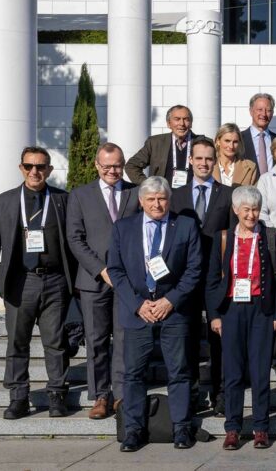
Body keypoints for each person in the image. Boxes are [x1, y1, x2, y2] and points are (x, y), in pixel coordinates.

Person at [106, 177, 202, 452]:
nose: (157, 204)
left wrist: (170, 301)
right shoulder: (123, 228)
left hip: (174, 311)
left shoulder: (184, 226)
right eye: (151, 199)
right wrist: (138, 304)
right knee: (134, 374)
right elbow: (116, 270)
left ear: (169, 200)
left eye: (162, 198)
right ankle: (134, 429)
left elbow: (194, 269)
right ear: (141, 201)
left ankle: (181, 428)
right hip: (138, 312)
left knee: (180, 372)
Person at [0, 147, 75, 419]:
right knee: (17, 342)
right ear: (21, 168)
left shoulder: (62, 199)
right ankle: (18, 398)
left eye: (40, 166)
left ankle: (58, 394)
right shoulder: (4, 202)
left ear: (48, 169)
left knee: (56, 342)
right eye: (29, 166)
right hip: (20, 281)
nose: (34, 171)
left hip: (55, 280)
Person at [205, 186, 276, 451]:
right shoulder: (224, 238)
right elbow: (211, 281)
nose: (251, 215)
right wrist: (214, 315)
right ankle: (232, 428)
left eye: (255, 209)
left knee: (260, 370)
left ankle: (261, 427)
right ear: (236, 210)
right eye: (246, 210)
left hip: (261, 310)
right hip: (231, 310)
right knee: (232, 372)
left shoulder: (271, 237)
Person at [66, 143, 140, 419]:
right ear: (97, 165)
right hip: (93, 280)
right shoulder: (80, 195)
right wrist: (101, 270)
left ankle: (120, 393)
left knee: (122, 338)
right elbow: (74, 238)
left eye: (117, 165)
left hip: (127, 281)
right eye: (107, 165)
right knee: (96, 339)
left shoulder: (135, 193)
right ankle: (100, 395)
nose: (113, 170)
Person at [168, 137, 234, 415]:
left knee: (219, 338)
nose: (204, 163)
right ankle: (192, 394)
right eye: (199, 158)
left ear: (215, 161)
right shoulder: (177, 195)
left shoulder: (229, 194)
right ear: (190, 161)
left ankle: (221, 394)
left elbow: (231, 238)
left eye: (209, 158)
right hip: (186, 277)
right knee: (188, 338)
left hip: (218, 276)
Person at [124, 105, 198, 186]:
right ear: (169, 123)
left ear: (191, 123)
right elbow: (131, 166)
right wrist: (148, 185)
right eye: (177, 119)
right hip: (163, 197)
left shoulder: (203, 143)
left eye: (186, 119)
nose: (181, 123)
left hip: (192, 197)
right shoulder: (155, 143)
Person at [241, 93, 276, 180]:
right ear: (251, 111)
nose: (264, 114)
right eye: (260, 109)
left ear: (272, 113)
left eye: (268, 110)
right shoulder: (239, 139)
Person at [212, 123, 258, 187]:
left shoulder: (250, 167)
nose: (231, 146)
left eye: (235, 142)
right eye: (227, 141)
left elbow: (254, 195)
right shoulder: (208, 165)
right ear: (218, 141)